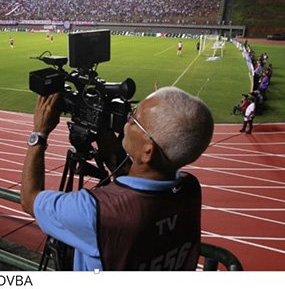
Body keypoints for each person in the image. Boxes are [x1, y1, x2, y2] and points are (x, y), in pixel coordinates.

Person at [21, 87, 214, 271]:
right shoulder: (189, 189)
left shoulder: (97, 210)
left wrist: (39, 133)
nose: (126, 122)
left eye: (134, 120)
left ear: (148, 151)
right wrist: (104, 134)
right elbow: (139, 185)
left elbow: (30, 199)